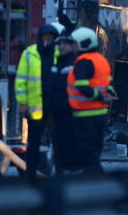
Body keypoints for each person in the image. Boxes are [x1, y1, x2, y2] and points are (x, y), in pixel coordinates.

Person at [15, 24, 59, 180]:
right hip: (35, 109)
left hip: (54, 108)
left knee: (58, 143)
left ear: (54, 38)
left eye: (50, 36)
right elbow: (21, 80)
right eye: (44, 35)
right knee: (33, 144)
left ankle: (58, 176)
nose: (47, 38)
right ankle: (30, 176)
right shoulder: (29, 53)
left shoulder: (59, 53)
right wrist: (22, 103)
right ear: (40, 37)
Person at [66, 27, 113, 174]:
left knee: (87, 152)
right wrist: (106, 96)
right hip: (100, 114)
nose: (72, 47)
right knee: (95, 150)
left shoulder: (83, 62)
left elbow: (82, 86)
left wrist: (98, 97)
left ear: (83, 44)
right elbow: (108, 84)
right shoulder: (102, 60)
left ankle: (94, 181)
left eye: (74, 43)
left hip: (85, 114)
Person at [50, 28, 80, 174]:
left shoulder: (72, 65)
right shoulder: (58, 65)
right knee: (59, 148)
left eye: (65, 43)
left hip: (70, 114)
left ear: (71, 46)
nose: (61, 46)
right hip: (57, 114)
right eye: (59, 43)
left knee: (69, 147)